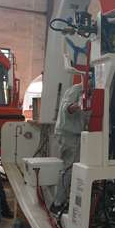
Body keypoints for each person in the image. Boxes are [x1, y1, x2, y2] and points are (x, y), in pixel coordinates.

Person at [50, 83, 85, 214]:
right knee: (68, 169)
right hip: (69, 135)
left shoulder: (81, 90)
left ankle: (63, 200)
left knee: (70, 169)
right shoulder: (77, 90)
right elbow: (67, 108)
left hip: (73, 135)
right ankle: (58, 204)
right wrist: (81, 104)